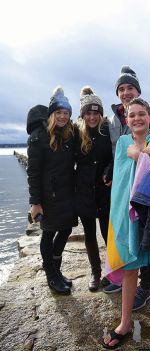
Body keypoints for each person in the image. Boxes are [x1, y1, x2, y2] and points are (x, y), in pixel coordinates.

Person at [102, 98, 150, 349]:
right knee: (130, 269)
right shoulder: (124, 142)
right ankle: (125, 322)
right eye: (131, 115)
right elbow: (133, 153)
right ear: (126, 120)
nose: (136, 118)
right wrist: (145, 151)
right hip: (130, 217)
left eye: (141, 114)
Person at [104, 65, 150, 312]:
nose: (125, 91)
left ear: (149, 117)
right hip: (128, 202)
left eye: (130, 87)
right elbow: (124, 152)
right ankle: (126, 317)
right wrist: (143, 152)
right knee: (132, 257)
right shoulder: (117, 129)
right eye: (121, 88)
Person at [27, 87, 77, 295]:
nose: (63, 116)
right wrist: (35, 202)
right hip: (48, 196)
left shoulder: (69, 134)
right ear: (51, 114)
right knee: (48, 233)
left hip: (67, 193)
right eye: (59, 112)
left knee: (65, 229)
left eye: (66, 113)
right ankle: (51, 274)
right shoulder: (39, 137)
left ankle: (56, 268)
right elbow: (33, 172)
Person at [75, 87, 113, 291]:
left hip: (105, 190)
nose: (92, 117)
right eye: (88, 113)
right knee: (89, 235)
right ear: (82, 115)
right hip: (83, 191)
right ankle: (95, 272)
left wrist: (109, 170)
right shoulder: (76, 133)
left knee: (108, 234)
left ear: (101, 114)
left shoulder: (107, 130)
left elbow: (116, 156)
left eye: (95, 113)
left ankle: (111, 271)